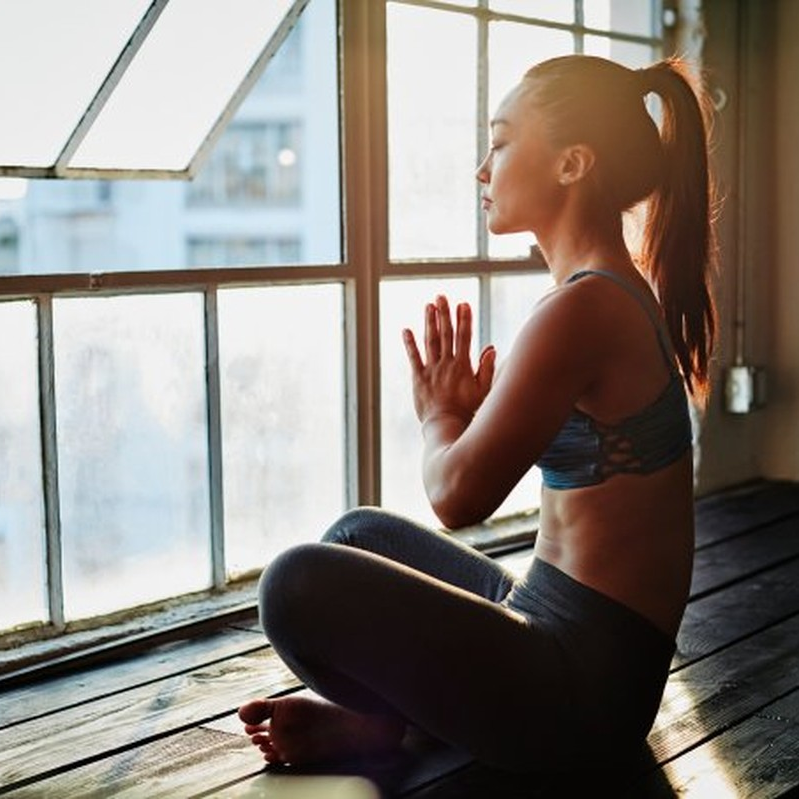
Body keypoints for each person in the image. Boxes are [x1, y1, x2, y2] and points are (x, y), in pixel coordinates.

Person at [238, 53, 717, 774]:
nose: (482, 169)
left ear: (571, 165)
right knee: (356, 534)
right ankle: (388, 724)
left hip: (584, 695)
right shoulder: (608, 291)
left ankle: (382, 729)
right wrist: (461, 422)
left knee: (295, 584)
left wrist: (440, 418)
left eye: (500, 141)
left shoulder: (583, 309)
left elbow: (456, 496)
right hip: (557, 628)